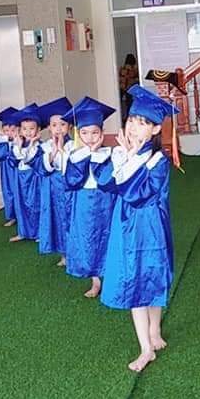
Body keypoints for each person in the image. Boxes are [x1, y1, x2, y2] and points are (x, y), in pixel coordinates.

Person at [97, 84, 176, 373]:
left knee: (152, 276)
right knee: (133, 279)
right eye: (131, 120)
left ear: (155, 130)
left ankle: (155, 329)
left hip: (151, 227)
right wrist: (123, 156)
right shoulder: (121, 154)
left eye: (142, 123)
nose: (133, 127)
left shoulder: (157, 160)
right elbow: (106, 183)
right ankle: (145, 348)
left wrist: (130, 160)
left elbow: (138, 193)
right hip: (126, 226)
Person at [64, 97, 116, 298]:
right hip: (84, 202)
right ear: (78, 134)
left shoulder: (109, 155)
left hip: (106, 202)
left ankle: (110, 275)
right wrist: (86, 155)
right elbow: (72, 180)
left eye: (95, 132)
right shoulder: (75, 156)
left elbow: (107, 180)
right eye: (84, 133)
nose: (90, 138)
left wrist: (95, 156)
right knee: (87, 238)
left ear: (102, 133)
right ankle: (95, 279)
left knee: (108, 235)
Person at [38, 97, 74, 266]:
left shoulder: (74, 145)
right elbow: (42, 168)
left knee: (70, 218)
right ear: (49, 128)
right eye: (54, 125)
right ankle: (63, 253)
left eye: (62, 124)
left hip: (69, 187)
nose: (58, 128)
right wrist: (53, 154)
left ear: (70, 126)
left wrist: (62, 151)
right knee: (58, 219)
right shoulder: (45, 146)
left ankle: (74, 252)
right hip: (53, 188)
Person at [10, 103, 46, 243]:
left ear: (38, 129)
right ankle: (23, 231)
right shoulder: (17, 144)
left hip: (34, 178)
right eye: (24, 129)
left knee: (35, 204)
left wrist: (31, 144)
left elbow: (29, 159)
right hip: (20, 178)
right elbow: (14, 160)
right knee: (21, 204)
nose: (28, 132)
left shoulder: (40, 146)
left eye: (32, 128)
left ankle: (38, 232)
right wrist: (18, 145)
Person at [0, 106, 20, 228]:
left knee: (19, 193)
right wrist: (4, 139)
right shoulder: (0, 142)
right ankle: (12, 216)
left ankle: (22, 216)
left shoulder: (21, 142)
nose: (9, 133)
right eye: (6, 130)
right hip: (6, 173)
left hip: (18, 172)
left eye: (13, 130)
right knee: (8, 193)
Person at [118, 54, 138, 121]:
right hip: (130, 88)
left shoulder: (122, 68)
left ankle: (122, 117)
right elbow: (135, 79)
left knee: (120, 104)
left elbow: (120, 77)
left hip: (122, 87)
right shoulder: (134, 69)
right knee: (129, 104)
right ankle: (128, 118)